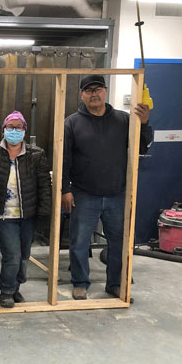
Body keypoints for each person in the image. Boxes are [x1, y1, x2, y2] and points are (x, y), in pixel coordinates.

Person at [62, 75, 152, 300]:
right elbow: (64, 159)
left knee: (119, 243)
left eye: (98, 89)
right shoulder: (71, 123)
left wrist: (144, 123)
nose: (94, 93)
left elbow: (141, 147)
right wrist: (65, 189)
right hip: (84, 195)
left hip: (117, 195)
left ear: (105, 91)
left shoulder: (124, 120)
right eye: (88, 90)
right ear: (81, 95)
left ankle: (116, 284)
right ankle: (80, 283)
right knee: (79, 242)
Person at [0, 111, 51, 308]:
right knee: (12, 254)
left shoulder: (36, 154)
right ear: (3, 130)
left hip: (27, 213)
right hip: (3, 214)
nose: (14, 131)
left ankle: (15, 287)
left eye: (18, 128)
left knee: (23, 255)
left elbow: (45, 184)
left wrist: (44, 212)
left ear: (25, 131)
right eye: (10, 127)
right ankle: (6, 291)